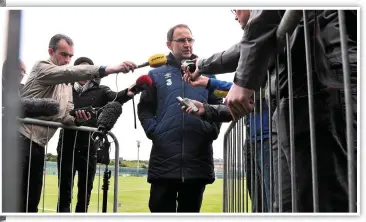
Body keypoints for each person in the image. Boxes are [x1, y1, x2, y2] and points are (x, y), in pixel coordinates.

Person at [183, 10, 357, 212]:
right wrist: (203, 65)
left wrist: (241, 81)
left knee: (326, 200)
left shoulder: (281, 23)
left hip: (323, 82)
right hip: (295, 99)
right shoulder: (271, 33)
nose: (235, 14)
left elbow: (260, 27)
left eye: (235, 7)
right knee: (286, 204)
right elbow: (248, 45)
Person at [19, 33, 137, 212]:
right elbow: (69, 72)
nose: (67, 60)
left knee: (30, 204)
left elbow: (66, 117)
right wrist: (110, 69)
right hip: (18, 140)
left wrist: (77, 119)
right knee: (12, 200)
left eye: (70, 56)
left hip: (38, 146)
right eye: (63, 55)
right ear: (51, 51)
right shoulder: (42, 67)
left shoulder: (66, 87)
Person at [137, 24, 223, 213]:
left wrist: (212, 129)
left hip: (197, 160)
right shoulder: (155, 74)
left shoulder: (207, 74)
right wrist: (154, 131)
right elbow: (144, 109)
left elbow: (219, 105)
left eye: (190, 39)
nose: (187, 44)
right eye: (181, 40)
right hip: (164, 159)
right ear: (169, 44)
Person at [56, 56, 136, 212]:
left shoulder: (102, 90)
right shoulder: (65, 88)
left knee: (85, 193)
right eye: (80, 71)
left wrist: (129, 91)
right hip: (66, 145)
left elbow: (116, 98)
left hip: (90, 146)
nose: (84, 74)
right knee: (64, 192)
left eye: (88, 71)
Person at [182, 75, 271, 212]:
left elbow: (248, 91)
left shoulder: (268, 67)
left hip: (270, 139)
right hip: (253, 141)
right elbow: (242, 98)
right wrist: (206, 109)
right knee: (259, 207)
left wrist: (210, 82)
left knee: (275, 204)